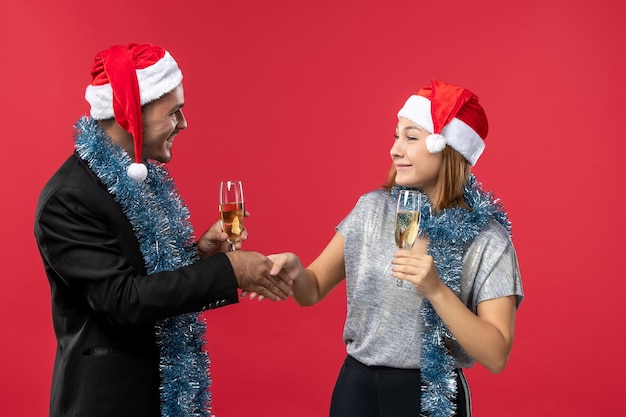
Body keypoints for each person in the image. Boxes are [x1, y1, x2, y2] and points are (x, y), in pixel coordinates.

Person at [34, 43, 291, 417]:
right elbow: (123, 300)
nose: (183, 123)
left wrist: (199, 254)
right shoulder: (68, 198)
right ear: (130, 115)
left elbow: (144, 278)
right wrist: (229, 270)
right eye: (173, 112)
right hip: (110, 403)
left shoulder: (140, 180)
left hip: (160, 395)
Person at [268, 80, 524, 417]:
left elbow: (496, 353)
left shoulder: (487, 240)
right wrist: (296, 272)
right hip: (355, 389)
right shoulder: (372, 209)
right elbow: (312, 289)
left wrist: (437, 291)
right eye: (396, 135)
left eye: (411, 138)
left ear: (446, 149)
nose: (395, 149)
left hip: (431, 396)